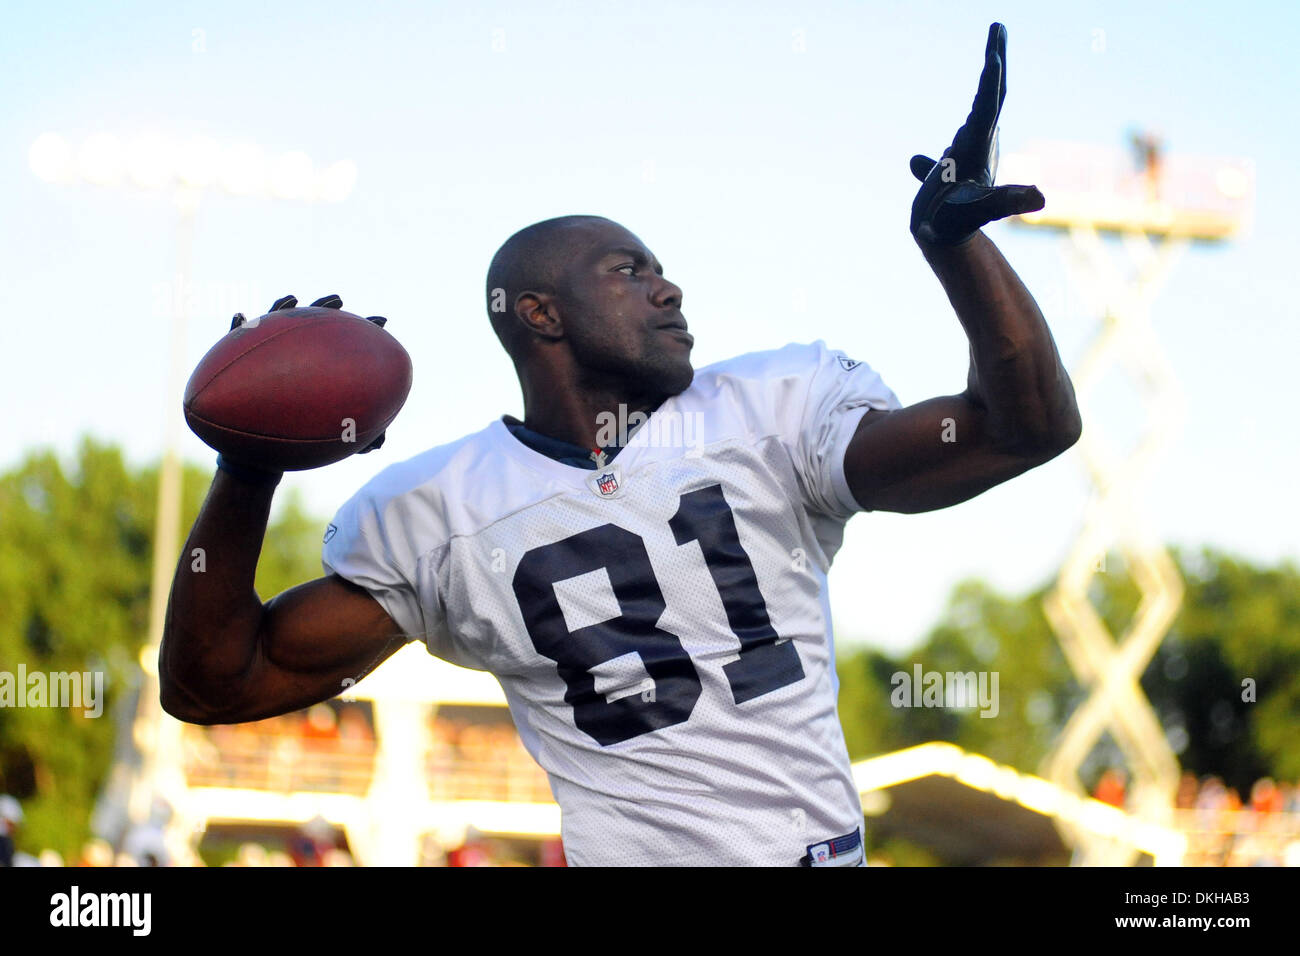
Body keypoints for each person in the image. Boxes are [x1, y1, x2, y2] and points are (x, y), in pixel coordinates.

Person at [160, 23, 1079, 866]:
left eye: (663, 269)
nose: (668, 288)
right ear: (539, 314)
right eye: (628, 270)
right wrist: (249, 467)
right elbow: (212, 686)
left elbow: (1021, 427)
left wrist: (956, 246)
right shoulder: (442, 516)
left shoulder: (771, 413)